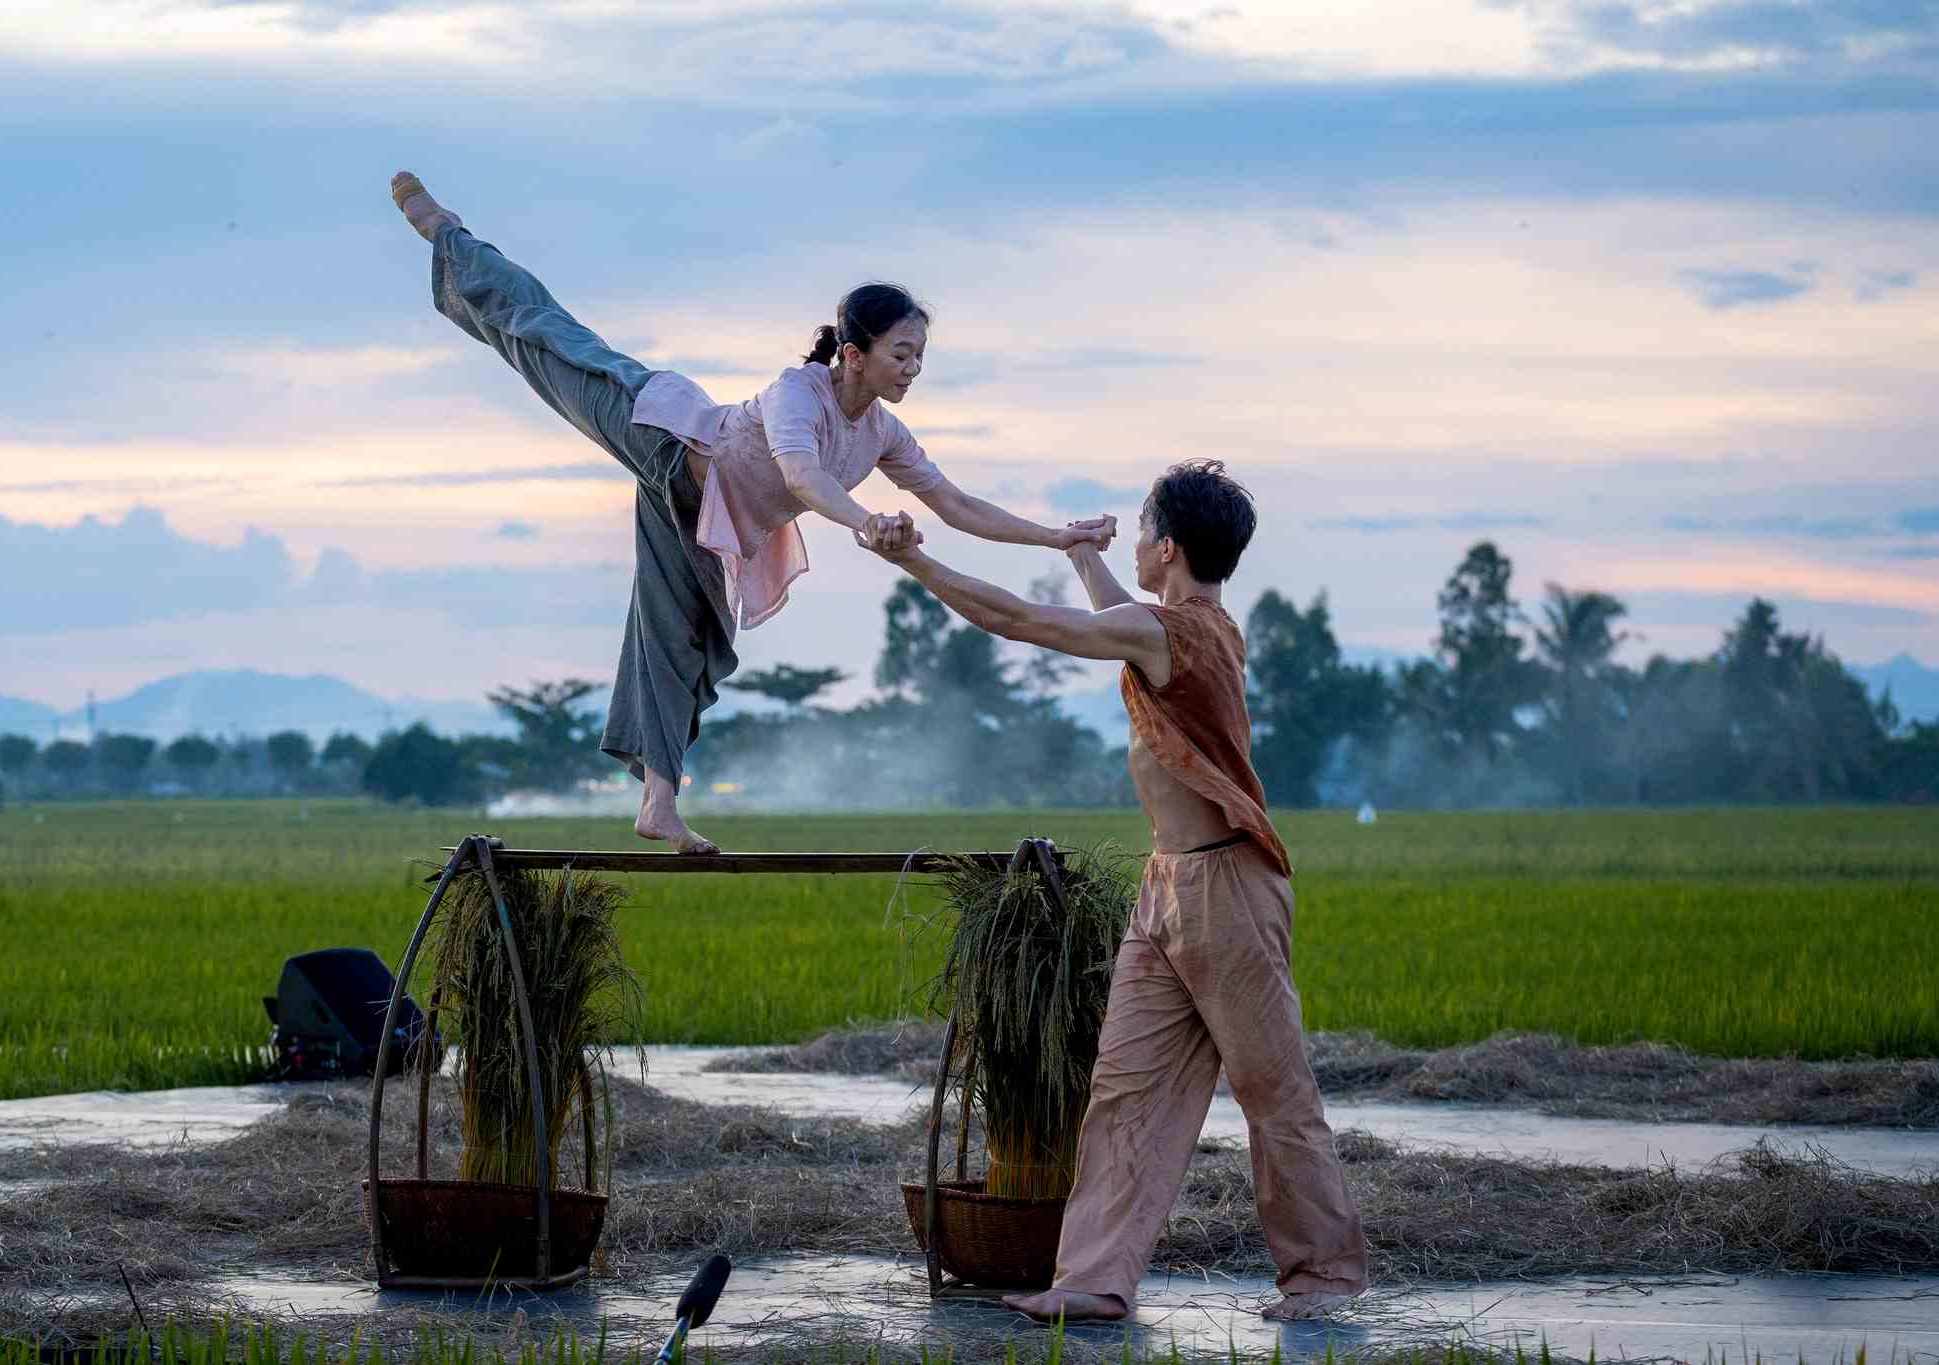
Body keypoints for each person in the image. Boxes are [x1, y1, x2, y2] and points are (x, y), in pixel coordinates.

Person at [388, 172, 1112, 854]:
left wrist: (1056, 537)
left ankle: (657, 801)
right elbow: (801, 477)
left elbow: (954, 504)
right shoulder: (801, 392)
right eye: (902, 353)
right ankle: (448, 233)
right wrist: (866, 524)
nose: (913, 368)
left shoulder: (882, 432)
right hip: (664, 440)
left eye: (920, 355)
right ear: (854, 355)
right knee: (552, 340)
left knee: (688, 646)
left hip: (703, 522)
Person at [861, 459, 1367, 1322]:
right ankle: (1093, 1279)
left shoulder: (1187, 633)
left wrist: (914, 561)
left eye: (1138, 529)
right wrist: (1078, 552)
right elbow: (1122, 625)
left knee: (1272, 1089)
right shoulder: (1192, 626)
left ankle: (1320, 1276)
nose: (1130, 540)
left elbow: (1018, 620)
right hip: (1166, 889)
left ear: (1166, 547)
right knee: (1125, 1088)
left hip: (1227, 889)